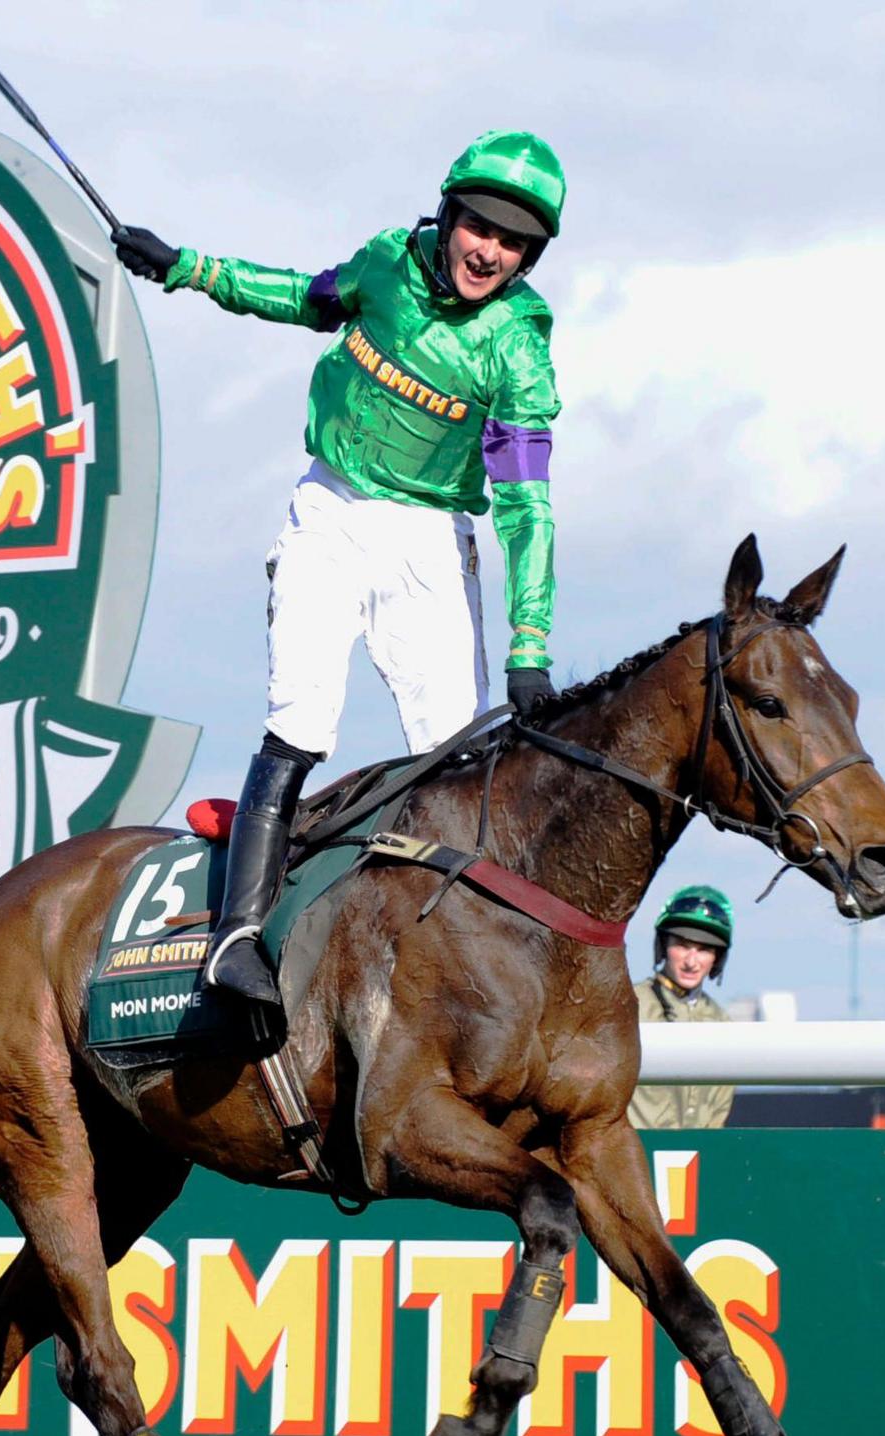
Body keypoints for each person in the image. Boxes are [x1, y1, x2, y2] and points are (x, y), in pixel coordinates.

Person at [111, 130, 568, 1044]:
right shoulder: (381, 266)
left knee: (458, 756)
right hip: (330, 510)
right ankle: (236, 935)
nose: (489, 252)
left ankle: (470, 960)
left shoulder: (518, 350)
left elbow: (527, 504)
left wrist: (530, 642)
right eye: (480, 227)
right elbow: (299, 297)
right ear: (449, 216)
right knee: (302, 718)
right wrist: (186, 268)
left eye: (513, 243)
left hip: (432, 542)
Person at [628, 885, 736, 1130]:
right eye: (682, 945)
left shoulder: (723, 1023)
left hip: (700, 1157)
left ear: (717, 958)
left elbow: (719, 1108)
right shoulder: (627, 1005)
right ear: (664, 945)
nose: (691, 961)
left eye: (704, 949)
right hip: (635, 1157)